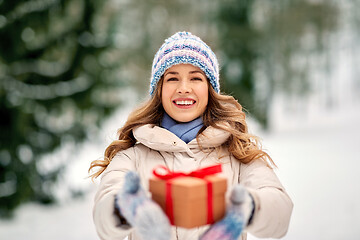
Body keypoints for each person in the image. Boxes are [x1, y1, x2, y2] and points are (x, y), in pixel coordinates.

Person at [89, 32, 293, 240]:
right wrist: (123, 206)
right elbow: (103, 217)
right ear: (158, 90)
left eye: (195, 78)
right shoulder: (132, 157)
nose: (183, 88)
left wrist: (249, 208)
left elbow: (279, 212)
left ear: (209, 89)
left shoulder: (237, 153)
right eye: (172, 78)